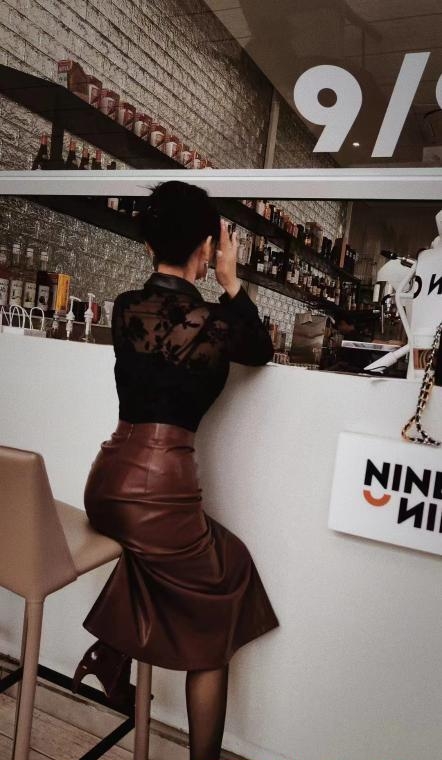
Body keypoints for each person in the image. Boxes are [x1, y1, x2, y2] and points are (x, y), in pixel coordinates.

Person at [71, 180, 280, 760]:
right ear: (207, 248)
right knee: (216, 612)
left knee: (207, 558)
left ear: (148, 245)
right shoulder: (216, 324)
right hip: (160, 491)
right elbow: (260, 351)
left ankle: (112, 655)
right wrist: (231, 280)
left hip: (106, 482)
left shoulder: (124, 307)